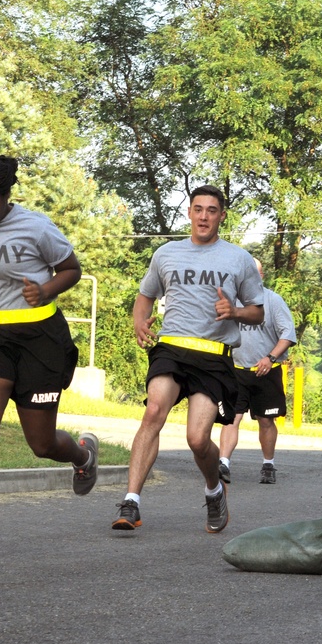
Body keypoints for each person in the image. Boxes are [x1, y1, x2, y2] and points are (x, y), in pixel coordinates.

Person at [0, 155, 98, 568]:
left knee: (41, 444)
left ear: (6, 197)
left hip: (39, 341)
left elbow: (71, 269)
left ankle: (81, 455)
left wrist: (46, 291)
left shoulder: (36, 227)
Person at [112, 184, 264, 534]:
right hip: (172, 348)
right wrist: (139, 320)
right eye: (198, 209)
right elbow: (145, 295)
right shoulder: (166, 254)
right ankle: (131, 501)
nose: (204, 216)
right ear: (190, 213)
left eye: (212, 210)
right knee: (153, 411)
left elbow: (257, 312)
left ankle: (214, 490)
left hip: (213, 356)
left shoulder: (238, 258)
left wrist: (236, 312)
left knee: (197, 439)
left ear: (222, 216)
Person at [218, 258, 296, 485]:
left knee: (265, 420)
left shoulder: (273, 300)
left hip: (266, 371)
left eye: (254, 274)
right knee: (231, 419)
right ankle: (224, 463)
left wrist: (271, 358)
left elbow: (287, 335)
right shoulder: (230, 302)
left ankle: (268, 465)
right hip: (235, 370)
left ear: (260, 277)